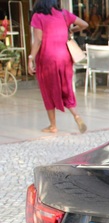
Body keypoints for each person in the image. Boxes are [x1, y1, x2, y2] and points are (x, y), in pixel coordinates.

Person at [27, 0, 89, 134]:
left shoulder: (38, 16)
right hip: (65, 58)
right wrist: (72, 29)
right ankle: (76, 115)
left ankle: (53, 125)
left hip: (47, 58)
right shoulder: (64, 14)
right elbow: (85, 24)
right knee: (65, 88)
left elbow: (38, 40)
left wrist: (30, 58)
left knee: (48, 90)